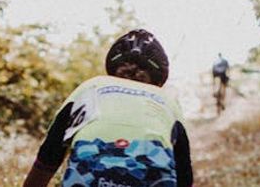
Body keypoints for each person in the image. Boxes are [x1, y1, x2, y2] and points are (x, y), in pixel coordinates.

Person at [22, 29, 194, 187]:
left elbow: (49, 154)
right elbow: (184, 173)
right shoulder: (167, 100)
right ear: (157, 79)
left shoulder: (91, 87)